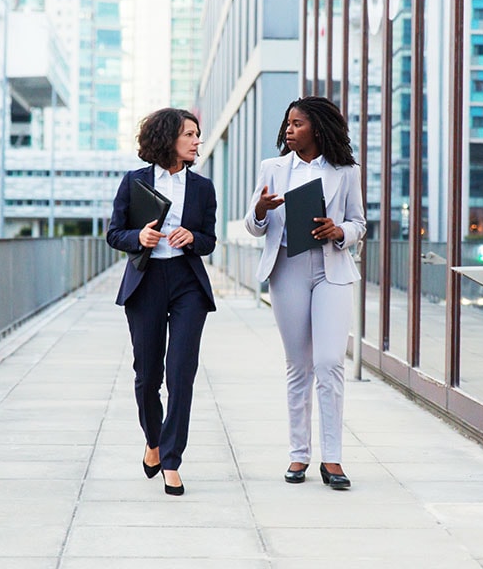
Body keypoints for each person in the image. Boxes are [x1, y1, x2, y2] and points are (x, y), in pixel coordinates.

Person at [244, 96, 366, 490]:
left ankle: (332, 459)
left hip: (331, 270)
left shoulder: (345, 171)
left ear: (317, 128)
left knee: (329, 362)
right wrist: (261, 209)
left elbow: (360, 223)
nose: (289, 130)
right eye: (287, 124)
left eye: (297, 124)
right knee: (298, 364)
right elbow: (254, 226)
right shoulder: (273, 168)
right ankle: (299, 454)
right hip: (288, 270)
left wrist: (340, 231)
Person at [106, 108, 217, 496]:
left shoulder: (203, 188)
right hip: (147, 281)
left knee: (181, 372)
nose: (196, 141)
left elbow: (209, 239)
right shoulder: (135, 181)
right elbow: (114, 233)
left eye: (197, 134)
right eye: (190, 134)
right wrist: (140, 238)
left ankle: (171, 459)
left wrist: (193, 238)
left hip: (188, 283)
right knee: (147, 375)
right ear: (169, 138)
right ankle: (153, 441)